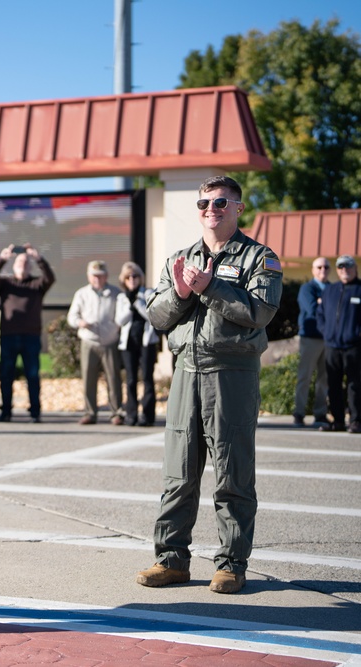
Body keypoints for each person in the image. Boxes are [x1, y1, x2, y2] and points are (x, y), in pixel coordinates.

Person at [137, 175, 282, 595]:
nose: (211, 211)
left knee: (232, 473)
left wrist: (211, 286)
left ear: (238, 208)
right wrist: (182, 291)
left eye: (221, 203)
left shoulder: (259, 257)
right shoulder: (180, 259)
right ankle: (171, 560)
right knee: (178, 473)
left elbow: (260, 312)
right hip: (186, 370)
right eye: (204, 204)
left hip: (231, 374)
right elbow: (158, 316)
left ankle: (231, 564)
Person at [0, 243, 56, 423]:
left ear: (30, 266)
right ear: (14, 265)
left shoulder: (37, 284)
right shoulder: (5, 284)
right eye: (19, 262)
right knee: (6, 375)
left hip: (30, 337)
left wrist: (38, 258)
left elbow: (50, 278)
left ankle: (35, 411)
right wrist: (2, 259)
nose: (23, 265)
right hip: (9, 336)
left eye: (26, 263)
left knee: (32, 375)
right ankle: (6, 411)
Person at [68, 260, 123, 425]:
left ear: (106, 276)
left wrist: (115, 327)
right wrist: (80, 323)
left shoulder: (115, 293)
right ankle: (90, 412)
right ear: (88, 276)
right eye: (94, 276)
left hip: (109, 340)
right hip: (89, 341)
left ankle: (116, 413)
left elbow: (122, 314)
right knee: (88, 378)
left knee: (113, 378)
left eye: (100, 276)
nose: (97, 279)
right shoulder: (82, 294)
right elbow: (72, 316)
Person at [316, 255, 361, 433]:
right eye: (341, 268)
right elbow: (319, 314)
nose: (345, 270)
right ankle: (339, 421)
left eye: (348, 267)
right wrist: (326, 332)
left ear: (355, 268)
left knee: (354, 385)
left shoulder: (359, 289)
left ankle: (356, 421)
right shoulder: (330, 290)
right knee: (333, 385)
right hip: (332, 345)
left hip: (354, 346)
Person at [115, 262, 159, 427]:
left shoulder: (149, 293)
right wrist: (129, 306)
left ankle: (148, 416)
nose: (132, 280)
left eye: (135, 276)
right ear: (123, 280)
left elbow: (152, 316)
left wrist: (138, 304)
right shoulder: (121, 297)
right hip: (128, 343)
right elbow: (119, 320)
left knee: (147, 378)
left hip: (146, 342)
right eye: (128, 277)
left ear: (140, 278)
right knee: (131, 379)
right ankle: (131, 415)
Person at [293, 257, 331, 427]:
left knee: (325, 378)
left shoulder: (332, 288)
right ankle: (299, 413)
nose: (323, 269)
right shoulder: (307, 288)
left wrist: (323, 304)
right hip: (310, 338)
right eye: (319, 267)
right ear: (313, 270)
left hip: (329, 339)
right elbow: (312, 310)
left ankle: (320, 413)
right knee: (305, 376)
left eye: (326, 267)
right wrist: (325, 306)